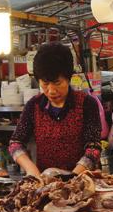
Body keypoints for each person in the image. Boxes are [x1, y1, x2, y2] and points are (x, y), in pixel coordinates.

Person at [9, 42, 102, 177]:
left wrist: (72, 178)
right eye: (45, 84)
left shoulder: (86, 103)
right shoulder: (34, 105)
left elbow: (93, 148)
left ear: (68, 78)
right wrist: (32, 170)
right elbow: (15, 143)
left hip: (82, 182)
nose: (51, 91)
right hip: (47, 184)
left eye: (57, 83)